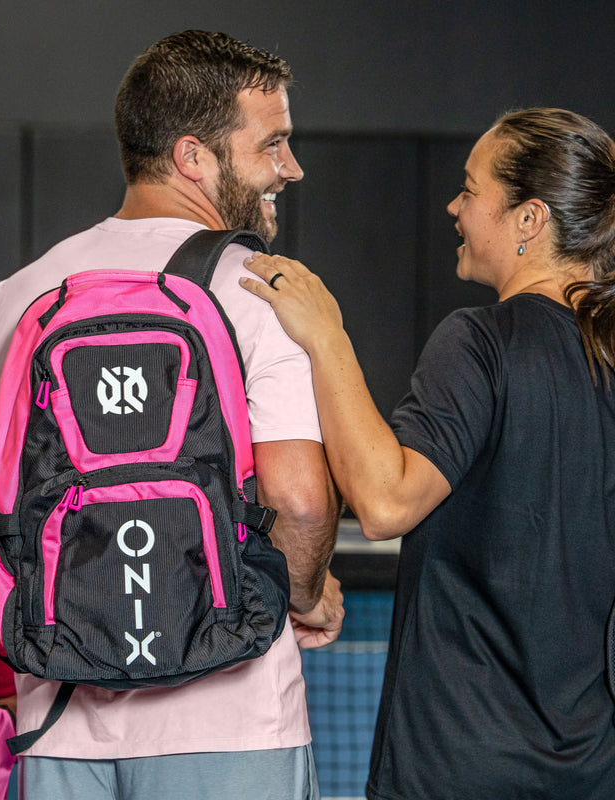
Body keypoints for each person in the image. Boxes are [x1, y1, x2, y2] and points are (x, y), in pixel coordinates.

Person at [0, 30, 343, 800]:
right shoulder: (263, 294)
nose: (290, 168)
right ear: (193, 156)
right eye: (274, 144)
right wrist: (306, 594)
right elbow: (297, 499)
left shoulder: (15, 298)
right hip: (236, 727)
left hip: (59, 721)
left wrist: (10, 673)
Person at [241, 107, 615, 799]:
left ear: (529, 219)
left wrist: (328, 337)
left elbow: (385, 503)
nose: (454, 206)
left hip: (455, 769)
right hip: (592, 771)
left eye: (471, 191)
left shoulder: (481, 341)